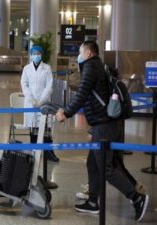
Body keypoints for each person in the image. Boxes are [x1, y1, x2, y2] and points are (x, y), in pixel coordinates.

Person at [56, 40, 149, 222]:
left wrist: (65, 113)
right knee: (92, 163)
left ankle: (136, 197)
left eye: (81, 53)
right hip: (105, 124)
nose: (79, 56)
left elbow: (82, 94)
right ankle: (92, 201)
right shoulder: (100, 66)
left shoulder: (90, 67)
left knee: (106, 169)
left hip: (104, 127)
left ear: (89, 53)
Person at [21, 45, 59, 162]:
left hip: (44, 102)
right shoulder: (26, 69)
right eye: (34, 53)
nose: (36, 55)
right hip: (31, 102)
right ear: (31, 55)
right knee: (33, 129)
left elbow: (49, 86)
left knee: (46, 129)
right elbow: (24, 84)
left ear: (41, 55)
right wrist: (31, 99)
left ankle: (49, 153)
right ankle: (34, 152)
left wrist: (41, 101)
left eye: (38, 53)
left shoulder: (46, 68)